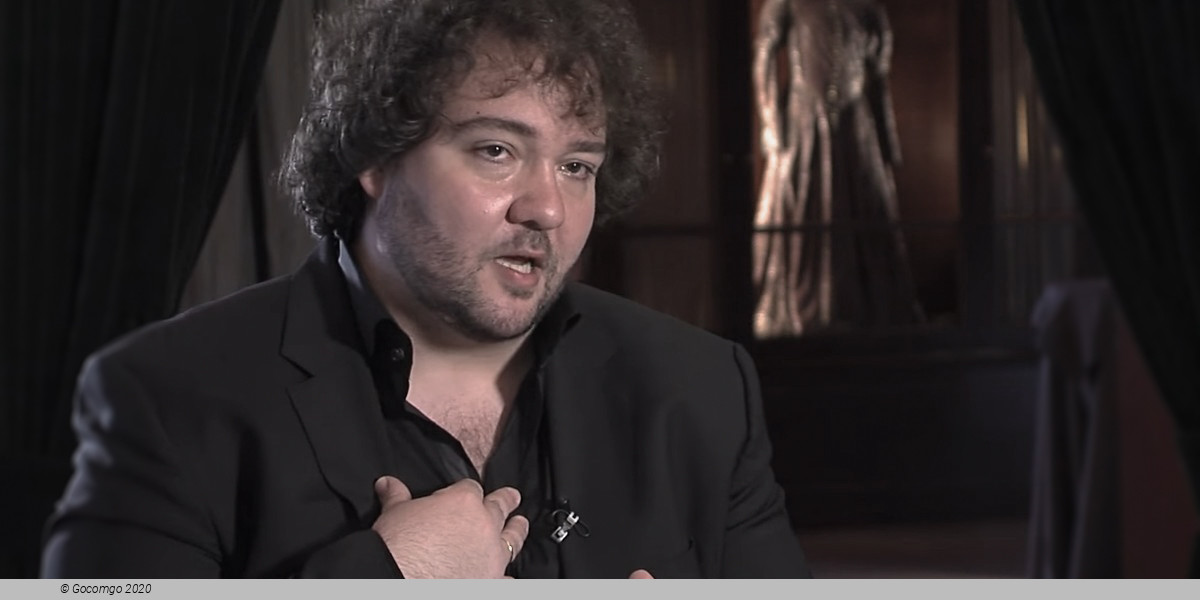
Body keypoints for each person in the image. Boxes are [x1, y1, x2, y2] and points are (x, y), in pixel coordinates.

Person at [41, 0, 810, 578]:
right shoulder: (167, 397)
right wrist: (381, 580)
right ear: (374, 156)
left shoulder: (701, 387)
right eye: (496, 150)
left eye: (577, 166)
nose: (547, 207)